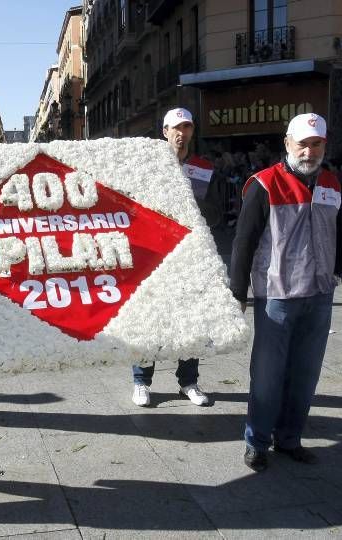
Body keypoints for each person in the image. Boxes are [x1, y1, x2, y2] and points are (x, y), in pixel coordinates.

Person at [230, 113, 342, 472]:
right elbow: (243, 242)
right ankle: (257, 441)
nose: (309, 152)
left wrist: (337, 269)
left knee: (305, 372)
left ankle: (290, 438)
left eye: (317, 145)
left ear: (325, 146)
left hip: (319, 293)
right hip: (277, 295)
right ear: (287, 144)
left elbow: (341, 229)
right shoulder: (263, 184)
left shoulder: (331, 182)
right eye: (303, 144)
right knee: (267, 374)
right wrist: (238, 292)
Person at [131, 108, 211, 408]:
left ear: (192, 131)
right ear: (164, 131)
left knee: (191, 321)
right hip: (153, 256)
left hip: (191, 255)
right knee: (149, 320)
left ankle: (188, 381)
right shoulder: (146, 169)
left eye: (186, 127)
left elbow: (212, 209)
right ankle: (141, 381)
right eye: (175, 128)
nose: (181, 133)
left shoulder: (203, 168)